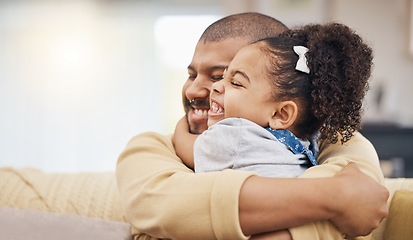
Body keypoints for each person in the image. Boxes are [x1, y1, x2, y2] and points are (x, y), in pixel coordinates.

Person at [116, 12, 389, 240]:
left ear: (283, 110)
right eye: (191, 74)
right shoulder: (150, 148)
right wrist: (337, 197)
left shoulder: (334, 143)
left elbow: (368, 197)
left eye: (223, 76)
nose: (195, 89)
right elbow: (167, 207)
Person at [174, 23, 371, 181]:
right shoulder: (309, 141)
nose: (217, 87)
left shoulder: (234, 134)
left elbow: (188, 148)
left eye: (235, 83)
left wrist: (179, 127)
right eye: (223, 77)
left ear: (281, 114)